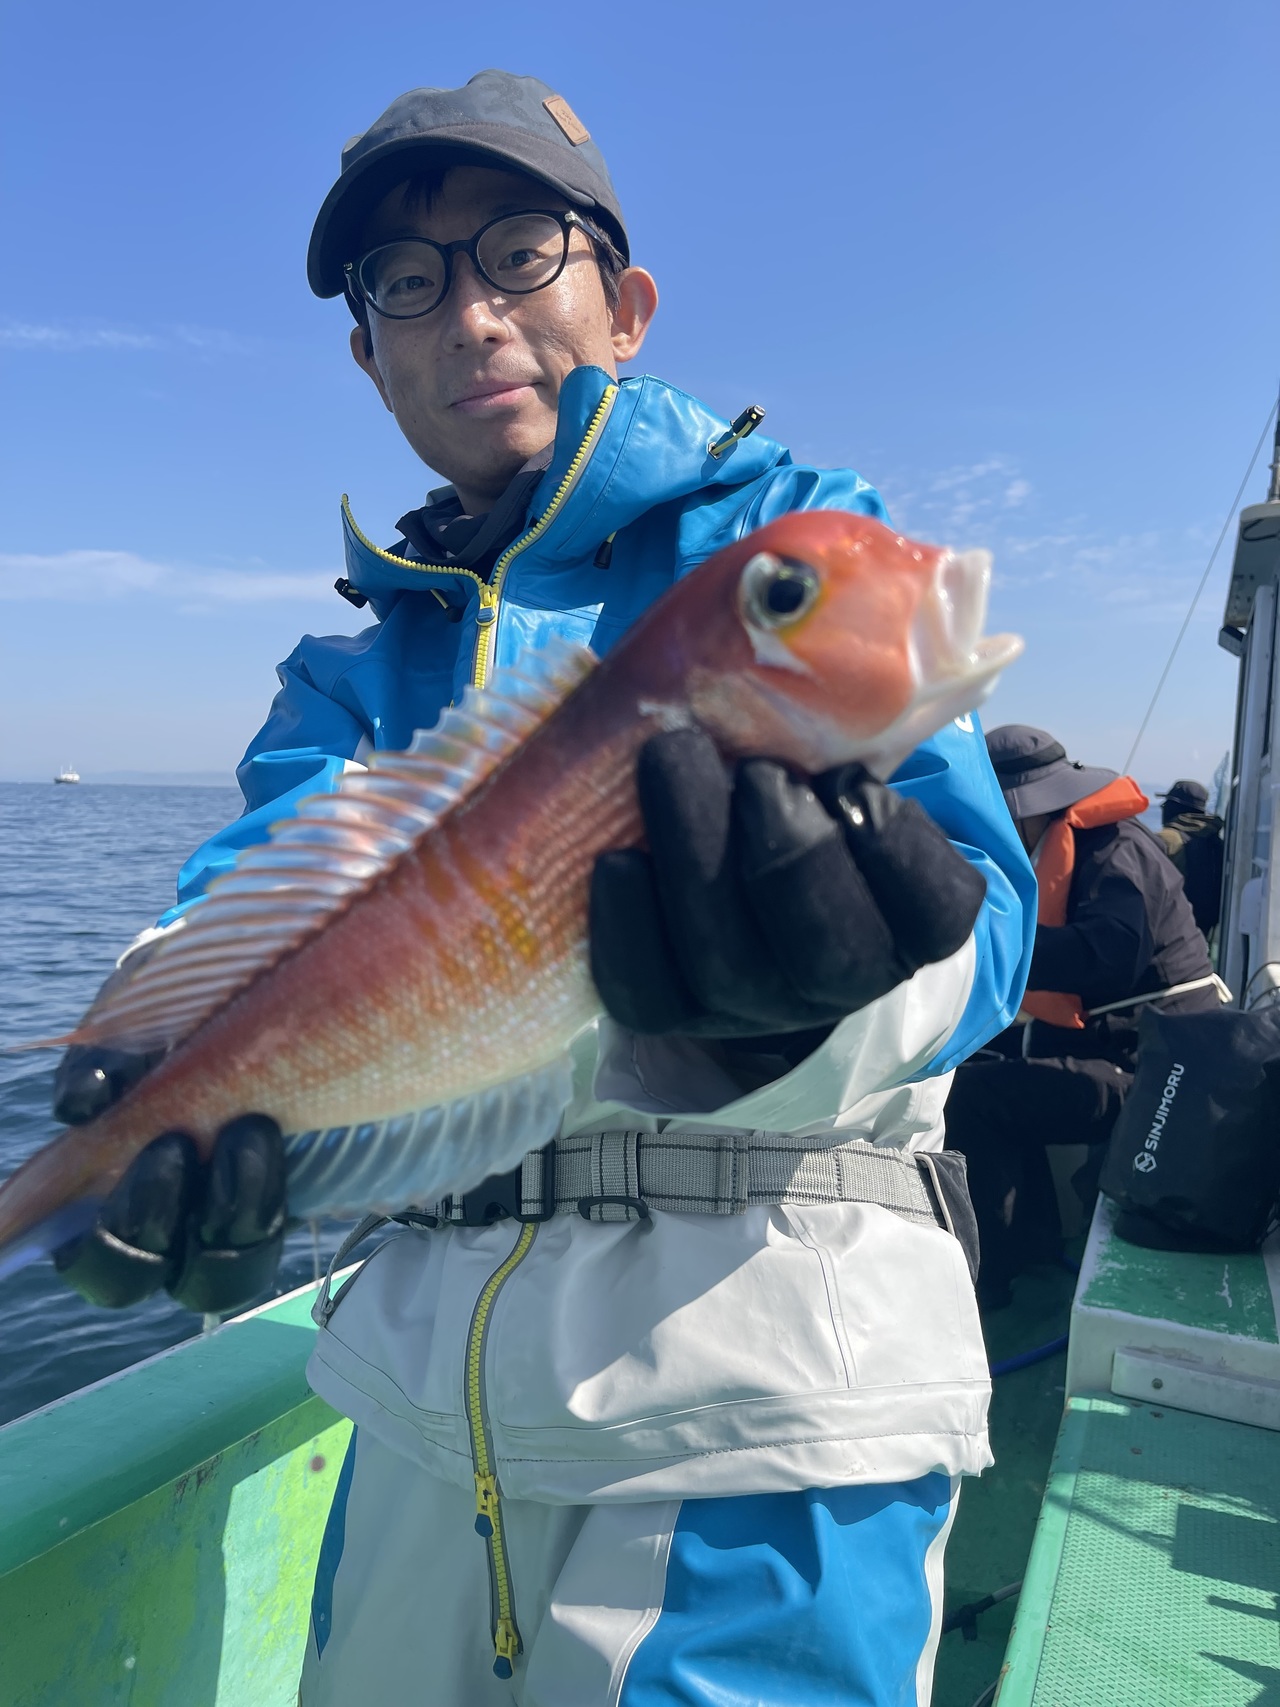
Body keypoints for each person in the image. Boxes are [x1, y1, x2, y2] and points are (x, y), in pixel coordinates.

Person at [51, 72, 1035, 1705]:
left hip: (768, 1406)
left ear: (624, 304)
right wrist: (150, 1070)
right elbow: (256, 897)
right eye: (406, 281)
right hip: (415, 1418)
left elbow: (977, 922)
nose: (470, 313)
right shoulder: (346, 676)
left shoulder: (787, 555)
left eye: (519, 249)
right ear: (370, 358)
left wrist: (824, 994)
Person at [945, 725, 1220, 1308]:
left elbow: (1111, 956)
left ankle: (990, 1280)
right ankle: (1032, 1247)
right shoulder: (1096, 841)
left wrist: (981, 947)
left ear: (1024, 810)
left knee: (970, 1098)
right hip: (1137, 1047)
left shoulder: (1115, 851)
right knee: (987, 1059)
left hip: (1163, 1081)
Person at [1156, 778, 1225, 937]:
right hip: (1202, 931)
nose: (1163, 808)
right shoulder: (1215, 840)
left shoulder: (1167, 839)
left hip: (1169, 929)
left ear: (1176, 807)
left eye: (1166, 804)